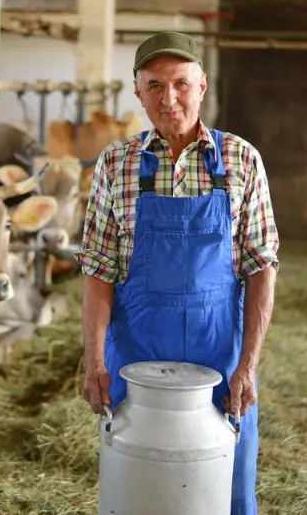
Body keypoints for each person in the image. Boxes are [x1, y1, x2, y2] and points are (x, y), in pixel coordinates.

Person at [74, 31, 279, 514]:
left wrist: (247, 367)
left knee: (226, 483)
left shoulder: (241, 160)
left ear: (202, 86)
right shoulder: (116, 164)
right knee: (138, 485)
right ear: (138, 92)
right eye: (155, 86)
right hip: (136, 355)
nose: (170, 99)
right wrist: (95, 362)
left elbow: (261, 267)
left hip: (220, 356)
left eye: (181, 84)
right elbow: (98, 270)